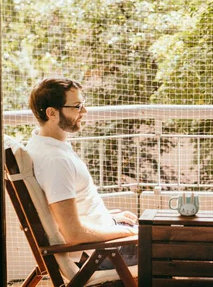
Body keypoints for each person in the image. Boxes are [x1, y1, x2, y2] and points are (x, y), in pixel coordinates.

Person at [26, 77, 138, 269]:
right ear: (52, 113)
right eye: (77, 106)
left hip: (100, 243)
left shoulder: (44, 145)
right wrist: (127, 233)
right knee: (176, 244)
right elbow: (73, 233)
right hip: (99, 254)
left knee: (167, 233)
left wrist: (110, 220)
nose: (84, 111)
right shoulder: (55, 161)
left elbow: (71, 213)